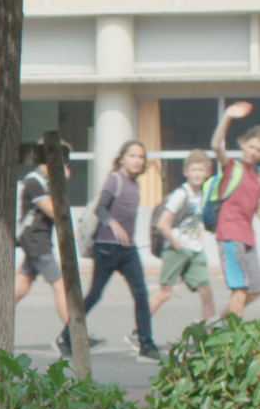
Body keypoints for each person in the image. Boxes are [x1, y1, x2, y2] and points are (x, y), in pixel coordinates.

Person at [74, 141, 159, 362]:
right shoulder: (115, 179)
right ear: (122, 158)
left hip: (128, 250)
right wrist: (112, 223)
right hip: (107, 248)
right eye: (132, 155)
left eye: (141, 156)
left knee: (141, 295)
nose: (137, 160)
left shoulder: (134, 183)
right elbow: (100, 207)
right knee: (94, 295)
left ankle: (146, 345)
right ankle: (66, 337)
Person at [148, 150, 217, 323]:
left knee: (206, 290)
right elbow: (162, 224)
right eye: (194, 170)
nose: (197, 174)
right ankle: (137, 330)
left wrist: (199, 243)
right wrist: (178, 246)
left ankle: (210, 331)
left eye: (201, 170)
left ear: (208, 173)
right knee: (164, 292)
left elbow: (195, 223)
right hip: (176, 249)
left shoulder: (201, 194)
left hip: (195, 249)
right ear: (186, 172)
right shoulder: (181, 194)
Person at [208, 101, 260, 318]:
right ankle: (233, 335)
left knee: (255, 288)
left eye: (259, 150)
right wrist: (228, 115)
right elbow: (215, 145)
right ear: (244, 143)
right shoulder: (231, 166)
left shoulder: (257, 177)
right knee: (239, 288)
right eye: (252, 146)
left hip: (248, 238)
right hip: (229, 233)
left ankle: (214, 324)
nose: (254, 152)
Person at [12, 160, 74, 330]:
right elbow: (53, 210)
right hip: (35, 241)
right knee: (60, 285)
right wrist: (60, 182)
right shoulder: (34, 181)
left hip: (37, 240)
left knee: (22, 286)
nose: (65, 168)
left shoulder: (43, 181)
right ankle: (72, 334)